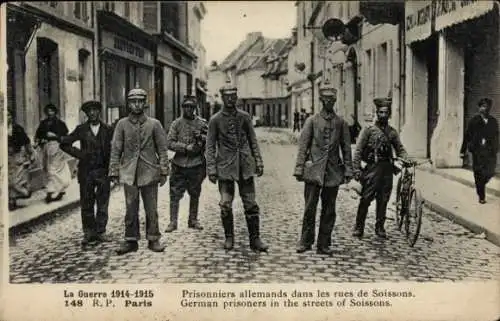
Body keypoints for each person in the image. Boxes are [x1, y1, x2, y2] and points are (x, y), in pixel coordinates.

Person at [205, 81, 268, 252]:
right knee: (225, 203)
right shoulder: (215, 120)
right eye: (227, 96)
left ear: (237, 97)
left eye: (233, 96)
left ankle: (255, 239)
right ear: (222, 97)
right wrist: (211, 169)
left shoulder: (244, 117)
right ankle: (229, 237)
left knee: (251, 204)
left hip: (245, 167)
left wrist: (259, 162)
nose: (231, 99)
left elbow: (253, 141)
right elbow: (210, 146)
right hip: (225, 168)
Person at [293, 80, 352, 255]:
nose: (329, 102)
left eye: (332, 100)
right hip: (313, 172)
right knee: (309, 207)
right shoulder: (312, 121)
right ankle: (305, 241)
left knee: (329, 209)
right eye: (326, 99)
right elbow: (303, 146)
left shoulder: (341, 123)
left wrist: (348, 169)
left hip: (332, 172)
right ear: (321, 100)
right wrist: (299, 168)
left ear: (335, 101)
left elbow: (346, 148)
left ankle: (324, 243)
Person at [109, 87, 170, 254]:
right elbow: (116, 149)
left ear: (145, 104)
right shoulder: (122, 124)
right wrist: (114, 171)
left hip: (149, 172)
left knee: (151, 208)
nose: (136, 105)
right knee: (130, 208)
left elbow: (162, 149)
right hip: (129, 173)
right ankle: (130, 240)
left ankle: (153, 239)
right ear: (128, 104)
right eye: (133, 102)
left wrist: (164, 171)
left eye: (140, 102)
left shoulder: (154, 124)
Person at [352, 94, 408, 239]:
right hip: (372, 168)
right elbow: (358, 150)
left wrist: (406, 158)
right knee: (366, 198)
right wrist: (356, 169)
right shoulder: (368, 130)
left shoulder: (392, 132)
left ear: (389, 114)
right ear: (377, 113)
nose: (383, 115)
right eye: (380, 112)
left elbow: (400, 148)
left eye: (386, 112)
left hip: (387, 169)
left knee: (383, 199)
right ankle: (359, 227)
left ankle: (380, 227)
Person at [60, 101, 114, 247]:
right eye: (89, 111)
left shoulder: (108, 130)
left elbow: (115, 149)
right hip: (86, 172)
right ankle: (89, 233)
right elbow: (64, 143)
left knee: (103, 203)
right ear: (86, 113)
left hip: (103, 171)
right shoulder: (81, 129)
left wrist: (113, 169)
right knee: (86, 202)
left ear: (99, 112)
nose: (92, 113)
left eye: (95, 110)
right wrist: (80, 154)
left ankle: (101, 231)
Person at [165, 95, 208, 232]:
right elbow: (169, 143)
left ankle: (193, 219)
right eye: (186, 107)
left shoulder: (201, 123)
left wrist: (200, 138)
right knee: (174, 193)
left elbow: (210, 140)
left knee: (195, 192)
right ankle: (173, 221)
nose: (188, 109)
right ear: (182, 108)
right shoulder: (176, 124)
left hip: (196, 164)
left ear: (195, 108)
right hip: (179, 164)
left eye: (191, 107)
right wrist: (184, 147)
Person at [460, 98, 499, 204]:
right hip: (477, 151)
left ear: (489, 108)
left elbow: (496, 136)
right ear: (479, 108)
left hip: (490, 152)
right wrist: (462, 150)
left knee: (490, 172)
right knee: (478, 173)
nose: (483, 109)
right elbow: (467, 136)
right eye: (482, 106)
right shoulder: (474, 121)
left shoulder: (493, 121)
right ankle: (481, 195)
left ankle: (482, 184)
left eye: (486, 106)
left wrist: (496, 149)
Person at [34, 104, 71, 203]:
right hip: (46, 148)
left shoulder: (60, 123)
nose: (50, 113)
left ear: (55, 112)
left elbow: (65, 137)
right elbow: (38, 135)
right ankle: (55, 190)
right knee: (47, 169)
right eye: (48, 111)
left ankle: (52, 191)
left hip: (57, 148)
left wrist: (55, 136)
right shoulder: (43, 123)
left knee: (54, 169)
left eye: (52, 111)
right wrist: (37, 142)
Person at [7, 109, 36, 211]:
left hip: (17, 156)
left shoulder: (17, 128)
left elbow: (26, 142)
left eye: (9, 115)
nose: (7, 117)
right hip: (5, 157)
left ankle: (25, 192)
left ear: (12, 117)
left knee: (14, 181)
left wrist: (31, 153)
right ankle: (11, 201)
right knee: (7, 180)